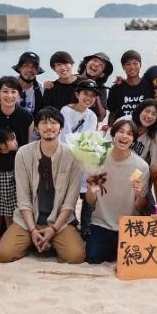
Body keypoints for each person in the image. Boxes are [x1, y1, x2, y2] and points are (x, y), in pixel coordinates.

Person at [0, 107, 85, 263]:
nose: (49, 127)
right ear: (36, 128)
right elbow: (23, 198)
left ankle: (48, 240)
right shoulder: (23, 153)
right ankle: (34, 240)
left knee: (76, 256)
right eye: (43, 123)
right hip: (28, 221)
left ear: (61, 128)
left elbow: (70, 203)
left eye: (53, 123)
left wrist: (53, 229)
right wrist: (32, 230)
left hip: (59, 222)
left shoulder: (72, 155)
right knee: (3, 255)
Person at [85, 119, 150, 264]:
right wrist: (91, 186)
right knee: (93, 257)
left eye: (130, 134)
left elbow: (140, 206)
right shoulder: (99, 160)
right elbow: (90, 201)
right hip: (102, 222)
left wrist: (139, 194)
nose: (124, 136)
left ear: (134, 140)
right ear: (113, 134)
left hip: (128, 224)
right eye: (121, 131)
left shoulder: (140, 167)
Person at [59, 79, 100, 241]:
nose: (88, 98)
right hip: (67, 157)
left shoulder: (92, 116)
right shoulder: (66, 111)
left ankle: (86, 226)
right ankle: (70, 221)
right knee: (69, 194)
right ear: (77, 94)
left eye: (92, 95)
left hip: (84, 157)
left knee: (89, 190)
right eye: (85, 94)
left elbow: (88, 139)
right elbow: (65, 137)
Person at [107, 50, 152, 126]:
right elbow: (112, 113)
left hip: (143, 128)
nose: (132, 67)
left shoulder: (149, 86)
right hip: (122, 128)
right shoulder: (115, 89)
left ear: (140, 65)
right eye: (128, 64)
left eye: (135, 63)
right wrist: (110, 129)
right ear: (123, 67)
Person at [115, 98, 157, 164]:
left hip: (135, 169)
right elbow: (107, 145)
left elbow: (155, 160)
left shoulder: (153, 133)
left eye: (154, 114)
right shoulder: (125, 121)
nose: (149, 116)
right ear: (140, 110)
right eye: (147, 111)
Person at [77, 52, 114, 122]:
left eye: (101, 65)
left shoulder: (101, 88)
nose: (96, 64)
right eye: (95, 60)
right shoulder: (71, 79)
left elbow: (101, 118)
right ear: (86, 63)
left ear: (102, 74)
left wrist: (94, 90)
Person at [12, 51, 45, 117]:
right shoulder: (9, 84)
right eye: (26, 66)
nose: (30, 70)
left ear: (37, 70)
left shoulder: (41, 89)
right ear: (19, 68)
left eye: (34, 66)